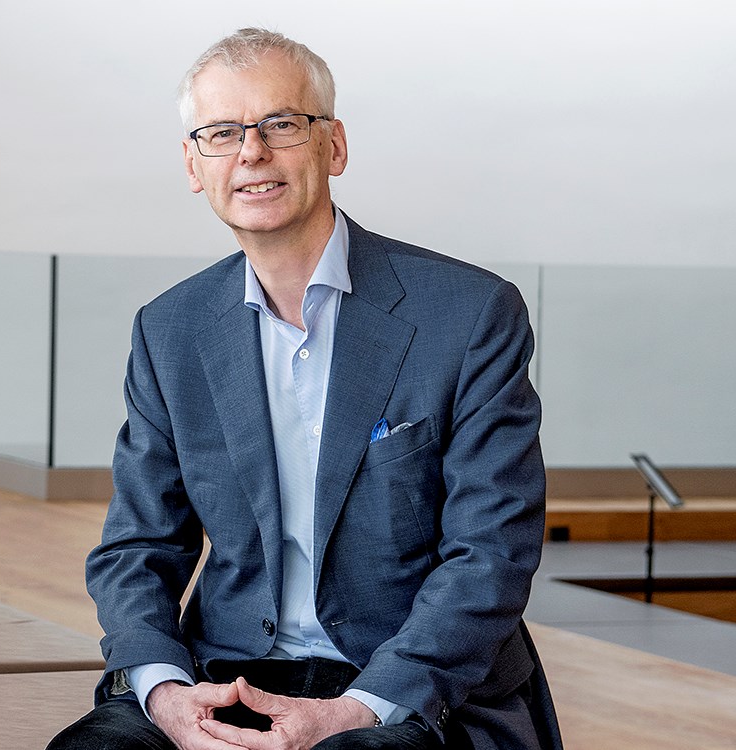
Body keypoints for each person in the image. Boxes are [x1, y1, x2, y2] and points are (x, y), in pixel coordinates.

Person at [48, 29, 560, 750]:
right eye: (222, 133)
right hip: (223, 673)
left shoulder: (470, 315)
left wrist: (358, 708)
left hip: (401, 685)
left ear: (335, 146)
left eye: (281, 124)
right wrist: (164, 695)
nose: (251, 152)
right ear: (195, 165)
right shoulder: (170, 330)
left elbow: (492, 552)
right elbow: (136, 547)